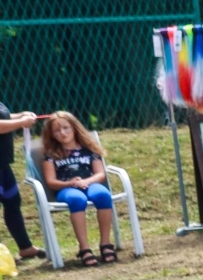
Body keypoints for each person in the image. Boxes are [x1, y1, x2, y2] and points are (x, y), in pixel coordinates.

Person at [39, 112, 117, 268]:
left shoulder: (89, 150)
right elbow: (51, 181)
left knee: (103, 195)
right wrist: (69, 184)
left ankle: (106, 243)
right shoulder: (51, 155)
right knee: (76, 199)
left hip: (90, 183)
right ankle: (84, 248)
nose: (63, 133)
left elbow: (100, 174)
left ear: (74, 128)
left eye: (66, 128)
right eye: (57, 130)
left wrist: (86, 181)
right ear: (52, 135)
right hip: (67, 188)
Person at [0, 104, 45, 261]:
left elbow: (3, 116)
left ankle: (25, 247)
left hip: (2, 163)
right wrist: (21, 123)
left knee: (12, 201)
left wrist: (20, 115)